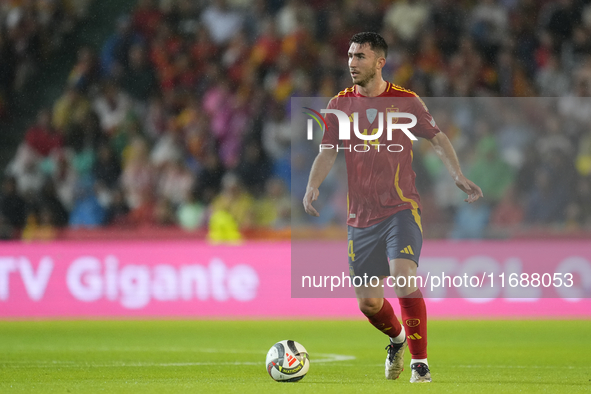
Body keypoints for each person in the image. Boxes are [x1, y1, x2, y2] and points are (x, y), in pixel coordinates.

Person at [303, 32, 483, 383]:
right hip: (361, 217)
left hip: (401, 208)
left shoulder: (406, 102)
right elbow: (328, 150)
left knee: (403, 278)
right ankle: (397, 340)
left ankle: (420, 363)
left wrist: (457, 175)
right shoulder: (339, 105)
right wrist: (313, 184)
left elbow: (437, 137)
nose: (352, 62)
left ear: (380, 62)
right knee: (368, 304)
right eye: (351, 56)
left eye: (360, 57)